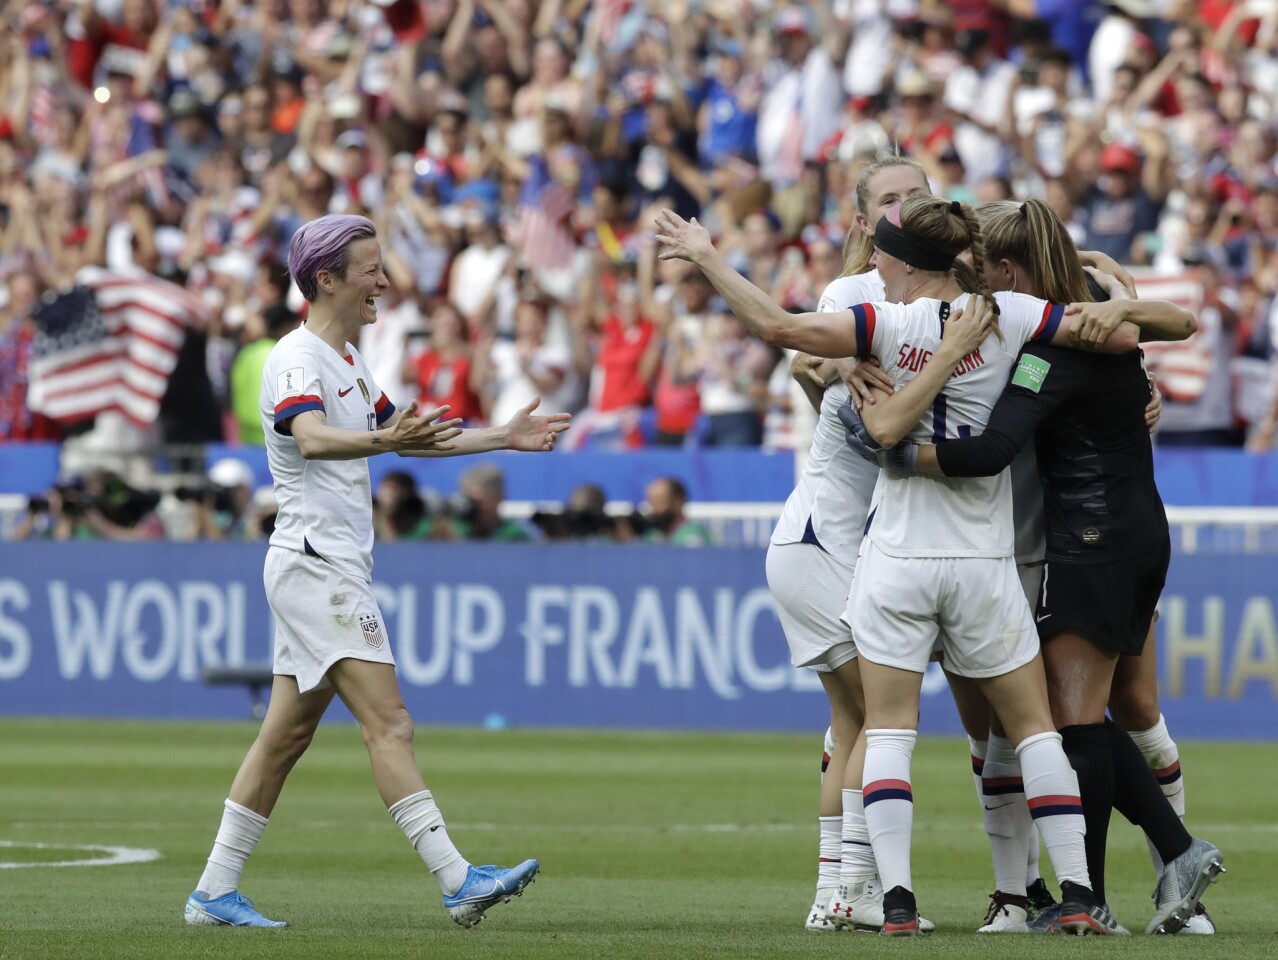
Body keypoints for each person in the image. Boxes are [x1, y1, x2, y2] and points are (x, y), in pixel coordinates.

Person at [654, 194, 1192, 936]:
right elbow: (1161, 329)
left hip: (898, 555)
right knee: (1034, 731)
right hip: (984, 560)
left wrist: (711, 257)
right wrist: (1118, 309)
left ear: (906, 261)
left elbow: (779, 328)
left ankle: (898, 902)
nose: (872, 262)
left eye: (880, 251)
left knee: (891, 728)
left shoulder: (882, 325)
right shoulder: (1008, 314)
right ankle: (1073, 895)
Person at [185, 214, 570, 929]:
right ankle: (458, 879)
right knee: (389, 723)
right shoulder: (297, 359)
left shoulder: (350, 362)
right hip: (317, 568)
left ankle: (213, 891)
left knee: (284, 738)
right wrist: (380, 437)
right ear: (326, 278)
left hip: (321, 567)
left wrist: (503, 439)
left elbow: (409, 440)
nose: (385, 283)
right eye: (371, 269)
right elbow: (312, 436)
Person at [849, 198, 1222, 935]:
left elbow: (989, 451)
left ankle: (1132, 877)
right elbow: (1173, 325)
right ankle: (1155, 888)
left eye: (979, 273)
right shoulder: (1092, 325)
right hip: (1132, 531)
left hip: (1091, 539)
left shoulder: (1054, 346)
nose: (970, 289)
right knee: (1117, 714)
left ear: (1008, 272)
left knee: (1067, 723)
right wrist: (1115, 288)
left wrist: (892, 448)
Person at [641, 476, 712, 546]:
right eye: (652, 502)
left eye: (660, 501)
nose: (654, 509)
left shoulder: (693, 537)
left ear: (679, 501)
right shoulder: (651, 535)